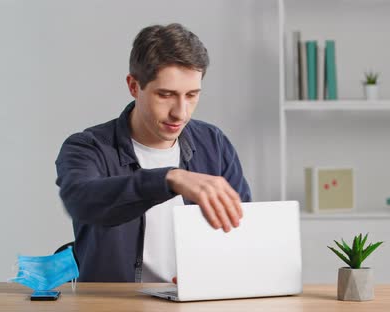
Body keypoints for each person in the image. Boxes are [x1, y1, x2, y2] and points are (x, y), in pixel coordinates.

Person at [55, 23, 251, 283]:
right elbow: (82, 201)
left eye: (192, 95)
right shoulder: (88, 147)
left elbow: (242, 231)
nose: (180, 112)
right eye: (166, 95)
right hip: (113, 304)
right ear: (134, 86)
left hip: (196, 300)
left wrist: (211, 273)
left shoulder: (214, 143)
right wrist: (170, 179)